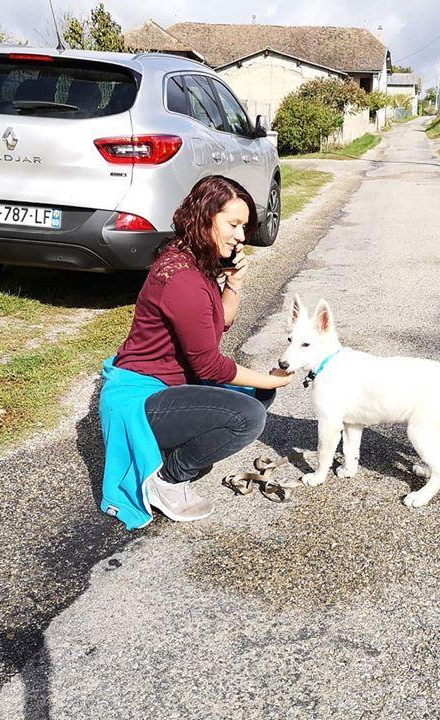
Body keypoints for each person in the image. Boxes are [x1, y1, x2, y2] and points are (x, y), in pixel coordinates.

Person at [98, 176, 293, 530]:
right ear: (205, 217)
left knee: (257, 394)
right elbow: (211, 365)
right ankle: (167, 480)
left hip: (170, 385)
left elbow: (219, 325)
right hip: (139, 398)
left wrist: (234, 283)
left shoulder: (193, 262)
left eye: (244, 227)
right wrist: (273, 379)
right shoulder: (182, 279)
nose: (240, 236)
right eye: (233, 224)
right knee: (249, 415)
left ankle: (173, 449)